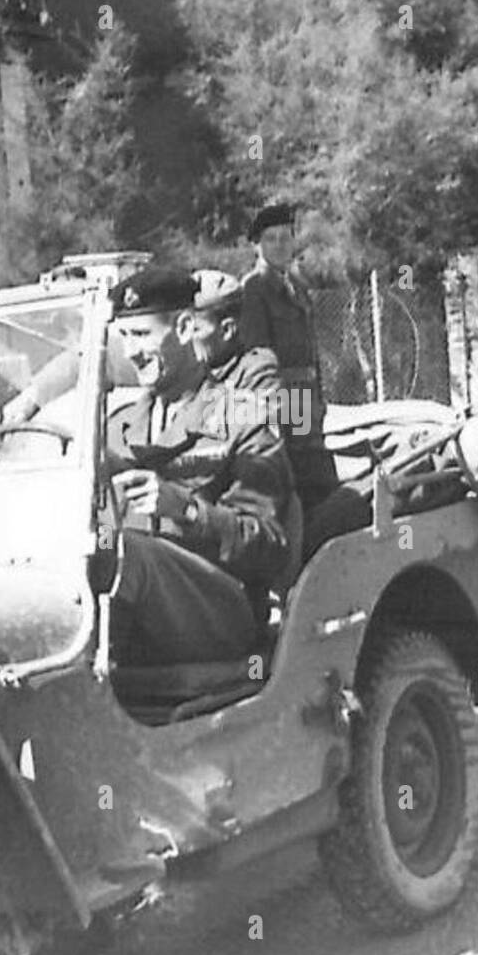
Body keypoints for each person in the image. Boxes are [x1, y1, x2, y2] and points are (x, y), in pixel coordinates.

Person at [106, 266, 294, 666]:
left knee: (128, 552)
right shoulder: (117, 427)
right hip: (137, 615)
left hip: (219, 610)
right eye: (123, 337)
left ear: (187, 327)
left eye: (141, 335)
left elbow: (270, 548)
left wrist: (187, 509)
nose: (130, 352)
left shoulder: (242, 416)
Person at [239, 201, 338, 517]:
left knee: (318, 476)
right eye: (271, 239)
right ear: (257, 245)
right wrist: (275, 411)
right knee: (300, 478)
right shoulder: (254, 288)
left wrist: (318, 400)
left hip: (308, 400)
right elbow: (258, 354)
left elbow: (311, 351)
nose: (280, 245)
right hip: (284, 400)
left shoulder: (298, 285)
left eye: (285, 238)